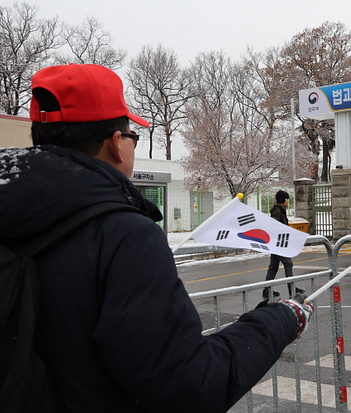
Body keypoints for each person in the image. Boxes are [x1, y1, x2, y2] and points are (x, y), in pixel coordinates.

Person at [0, 64, 314, 412]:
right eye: (133, 136)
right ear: (116, 145)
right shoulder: (123, 235)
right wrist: (279, 320)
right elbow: (189, 386)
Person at [263, 190, 306, 299]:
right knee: (288, 264)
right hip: (278, 244)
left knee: (273, 267)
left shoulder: (280, 210)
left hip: (278, 243)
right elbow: (274, 227)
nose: (288, 201)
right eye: (287, 199)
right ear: (282, 200)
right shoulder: (277, 212)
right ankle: (291, 289)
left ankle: (266, 290)